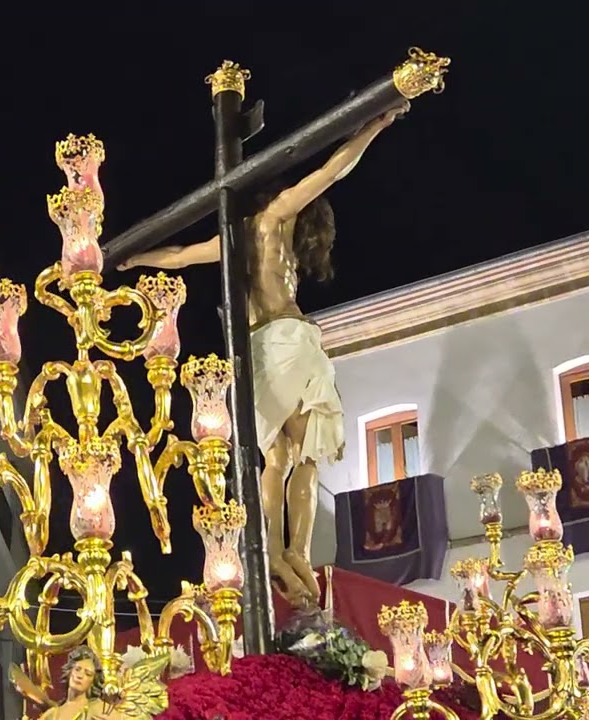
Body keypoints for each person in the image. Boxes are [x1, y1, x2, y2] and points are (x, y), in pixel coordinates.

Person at [118, 104, 408, 605]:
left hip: (258, 348)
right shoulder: (278, 216)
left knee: (278, 456)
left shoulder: (231, 241)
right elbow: (331, 171)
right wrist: (372, 128)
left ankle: (275, 548)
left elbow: (179, 256)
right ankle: (296, 549)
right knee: (305, 455)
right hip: (289, 340)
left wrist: (132, 258)